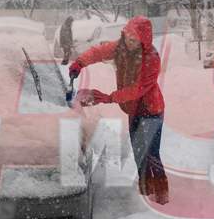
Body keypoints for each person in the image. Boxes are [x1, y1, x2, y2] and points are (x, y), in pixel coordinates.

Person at [69, 16, 168, 204]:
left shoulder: (151, 58)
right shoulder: (120, 48)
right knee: (139, 151)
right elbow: (98, 51)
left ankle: (162, 195)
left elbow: (137, 89)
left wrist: (109, 98)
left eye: (134, 39)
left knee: (152, 153)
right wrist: (80, 63)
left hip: (151, 109)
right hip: (134, 110)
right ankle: (146, 192)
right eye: (128, 37)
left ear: (143, 40)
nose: (130, 42)